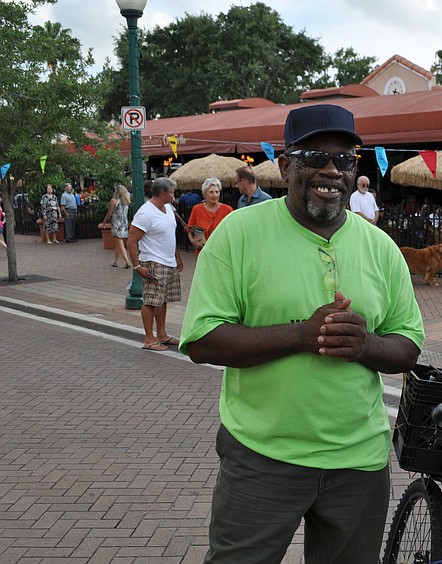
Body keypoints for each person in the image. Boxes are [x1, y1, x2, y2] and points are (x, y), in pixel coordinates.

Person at [179, 103, 424, 564]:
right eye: (315, 157)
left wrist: (365, 344)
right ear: (286, 165)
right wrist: (302, 335)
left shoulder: (381, 247)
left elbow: (408, 344)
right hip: (261, 455)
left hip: (358, 461)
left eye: (345, 160)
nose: (331, 170)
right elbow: (202, 340)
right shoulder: (239, 233)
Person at [127, 177, 183, 352]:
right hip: (153, 261)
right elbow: (131, 240)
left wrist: (177, 258)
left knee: (162, 300)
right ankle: (149, 339)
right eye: (171, 192)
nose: (173, 195)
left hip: (168, 262)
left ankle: (162, 334)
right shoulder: (145, 213)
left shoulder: (167, 208)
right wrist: (137, 266)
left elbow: (170, 235)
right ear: (162, 193)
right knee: (150, 301)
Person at [186, 177, 233, 252]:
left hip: (222, 252)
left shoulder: (227, 210)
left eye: (217, 192)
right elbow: (189, 229)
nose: (215, 195)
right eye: (211, 192)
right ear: (204, 194)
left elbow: (233, 232)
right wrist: (192, 240)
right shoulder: (197, 209)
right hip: (203, 252)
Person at [99, 184, 133, 269]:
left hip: (116, 224)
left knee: (120, 243)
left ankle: (127, 262)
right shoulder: (126, 201)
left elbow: (109, 213)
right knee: (117, 242)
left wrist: (104, 222)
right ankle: (116, 261)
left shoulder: (114, 201)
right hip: (124, 223)